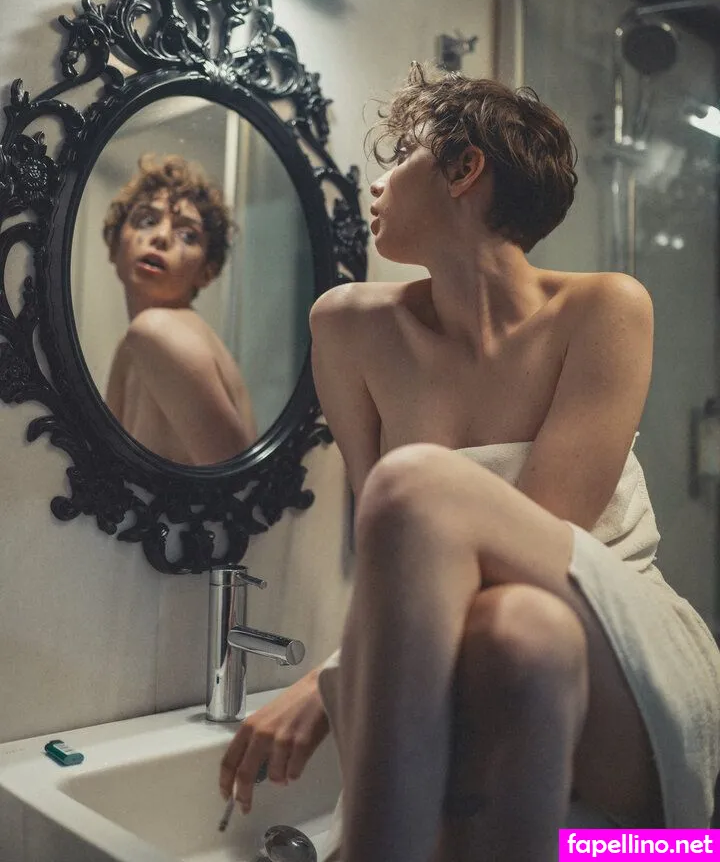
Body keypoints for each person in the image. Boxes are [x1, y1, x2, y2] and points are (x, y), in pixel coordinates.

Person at [219, 65, 720, 859]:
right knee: (518, 633)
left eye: (399, 157)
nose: (377, 181)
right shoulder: (348, 329)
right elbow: (385, 550)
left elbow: (540, 537)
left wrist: (333, 675)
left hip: (622, 645)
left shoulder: (604, 309)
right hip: (518, 646)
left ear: (463, 168)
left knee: (418, 485)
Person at [103, 153, 257, 465]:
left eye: (188, 235)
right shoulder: (133, 344)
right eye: (147, 220)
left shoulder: (155, 331)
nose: (161, 237)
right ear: (115, 245)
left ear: (207, 272)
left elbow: (237, 487)